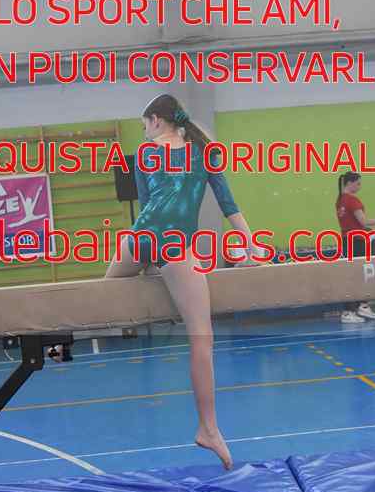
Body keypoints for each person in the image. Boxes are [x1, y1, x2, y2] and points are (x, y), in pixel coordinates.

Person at [104, 93, 260, 470]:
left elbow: (148, 206)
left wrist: (150, 261)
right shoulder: (205, 152)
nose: (145, 133)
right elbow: (228, 204)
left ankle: (61, 338)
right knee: (201, 338)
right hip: (174, 246)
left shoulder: (145, 153)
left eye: (145, 125)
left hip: (140, 239)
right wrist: (250, 244)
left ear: (157, 121)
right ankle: (208, 428)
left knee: (99, 301)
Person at [336, 171, 375, 323]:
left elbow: (353, 225)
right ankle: (348, 311)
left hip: (348, 240)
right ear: (349, 183)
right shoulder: (352, 200)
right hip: (356, 242)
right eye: (358, 183)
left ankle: (362, 305)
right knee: (357, 275)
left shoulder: (340, 200)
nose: (360, 187)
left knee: (356, 274)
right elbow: (364, 222)